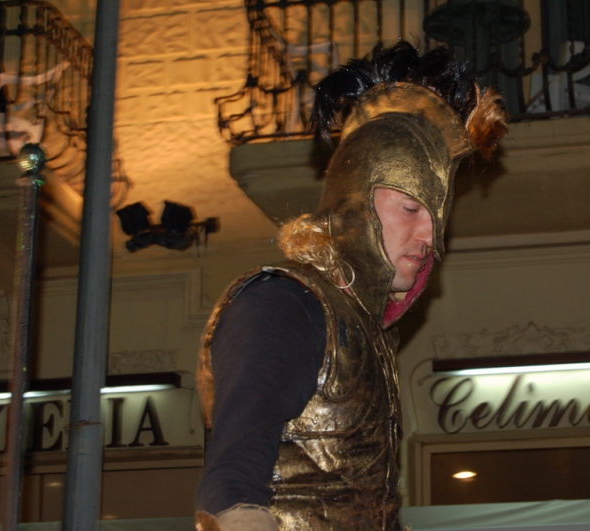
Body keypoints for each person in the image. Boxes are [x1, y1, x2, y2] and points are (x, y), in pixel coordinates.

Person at [194, 42, 508, 531]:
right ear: (355, 198)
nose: (428, 237)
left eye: (435, 217)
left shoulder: (369, 334)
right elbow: (231, 490)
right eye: (409, 208)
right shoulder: (284, 302)